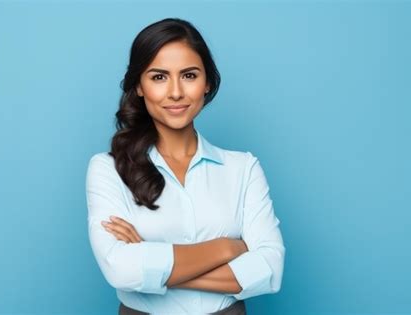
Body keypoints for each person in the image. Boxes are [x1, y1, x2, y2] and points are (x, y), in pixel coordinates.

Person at [85, 17, 285, 315]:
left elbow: (269, 271)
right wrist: (226, 249)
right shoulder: (107, 169)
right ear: (139, 86)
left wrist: (151, 262)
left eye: (189, 75)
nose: (176, 92)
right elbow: (121, 271)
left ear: (207, 83)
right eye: (159, 77)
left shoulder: (243, 168)